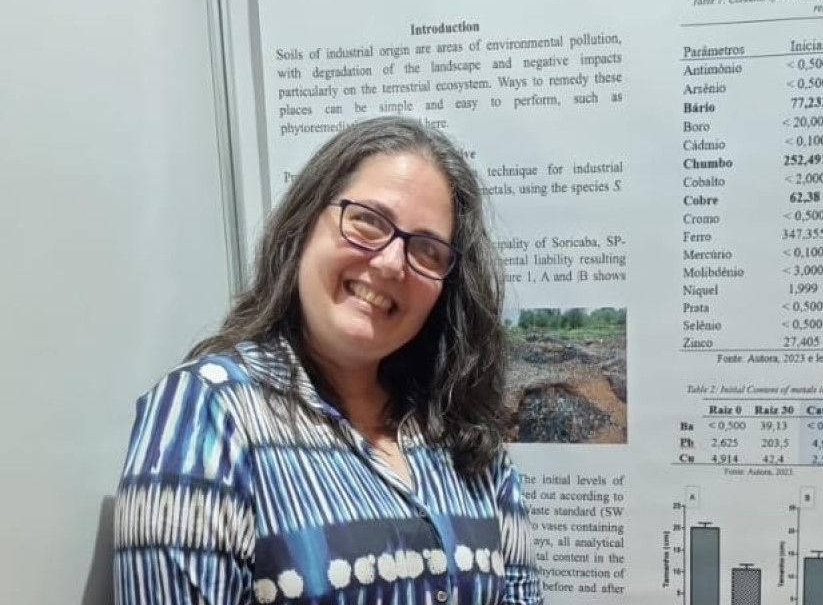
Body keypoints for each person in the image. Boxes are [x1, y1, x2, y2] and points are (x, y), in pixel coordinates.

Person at [113, 116, 543, 605]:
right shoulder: (209, 412)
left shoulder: (462, 433)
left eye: (427, 250)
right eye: (368, 221)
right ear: (303, 225)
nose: (390, 263)